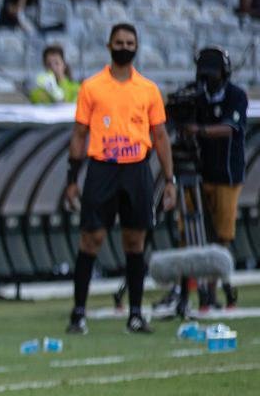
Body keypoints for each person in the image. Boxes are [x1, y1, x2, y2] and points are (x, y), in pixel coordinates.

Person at [64, 23, 175, 335]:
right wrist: (72, 178)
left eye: (130, 42)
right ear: (109, 45)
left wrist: (169, 180)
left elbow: (161, 136)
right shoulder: (92, 87)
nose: (124, 46)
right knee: (91, 239)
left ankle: (136, 314)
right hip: (102, 168)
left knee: (135, 240)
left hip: (137, 169)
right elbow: (79, 134)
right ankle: (78, 313)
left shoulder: (149, 89)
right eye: (119, 42)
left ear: (137, 46)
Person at [186, 46, 248, 309]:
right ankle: (189, 289)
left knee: (221, 235)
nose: (208, 80)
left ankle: (212, 290)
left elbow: (229, 128)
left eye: (213, 74)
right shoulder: (197, 97)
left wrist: (198, 130)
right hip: (200, 172)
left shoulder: (236, 96)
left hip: (227, 174)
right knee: (191, 230)